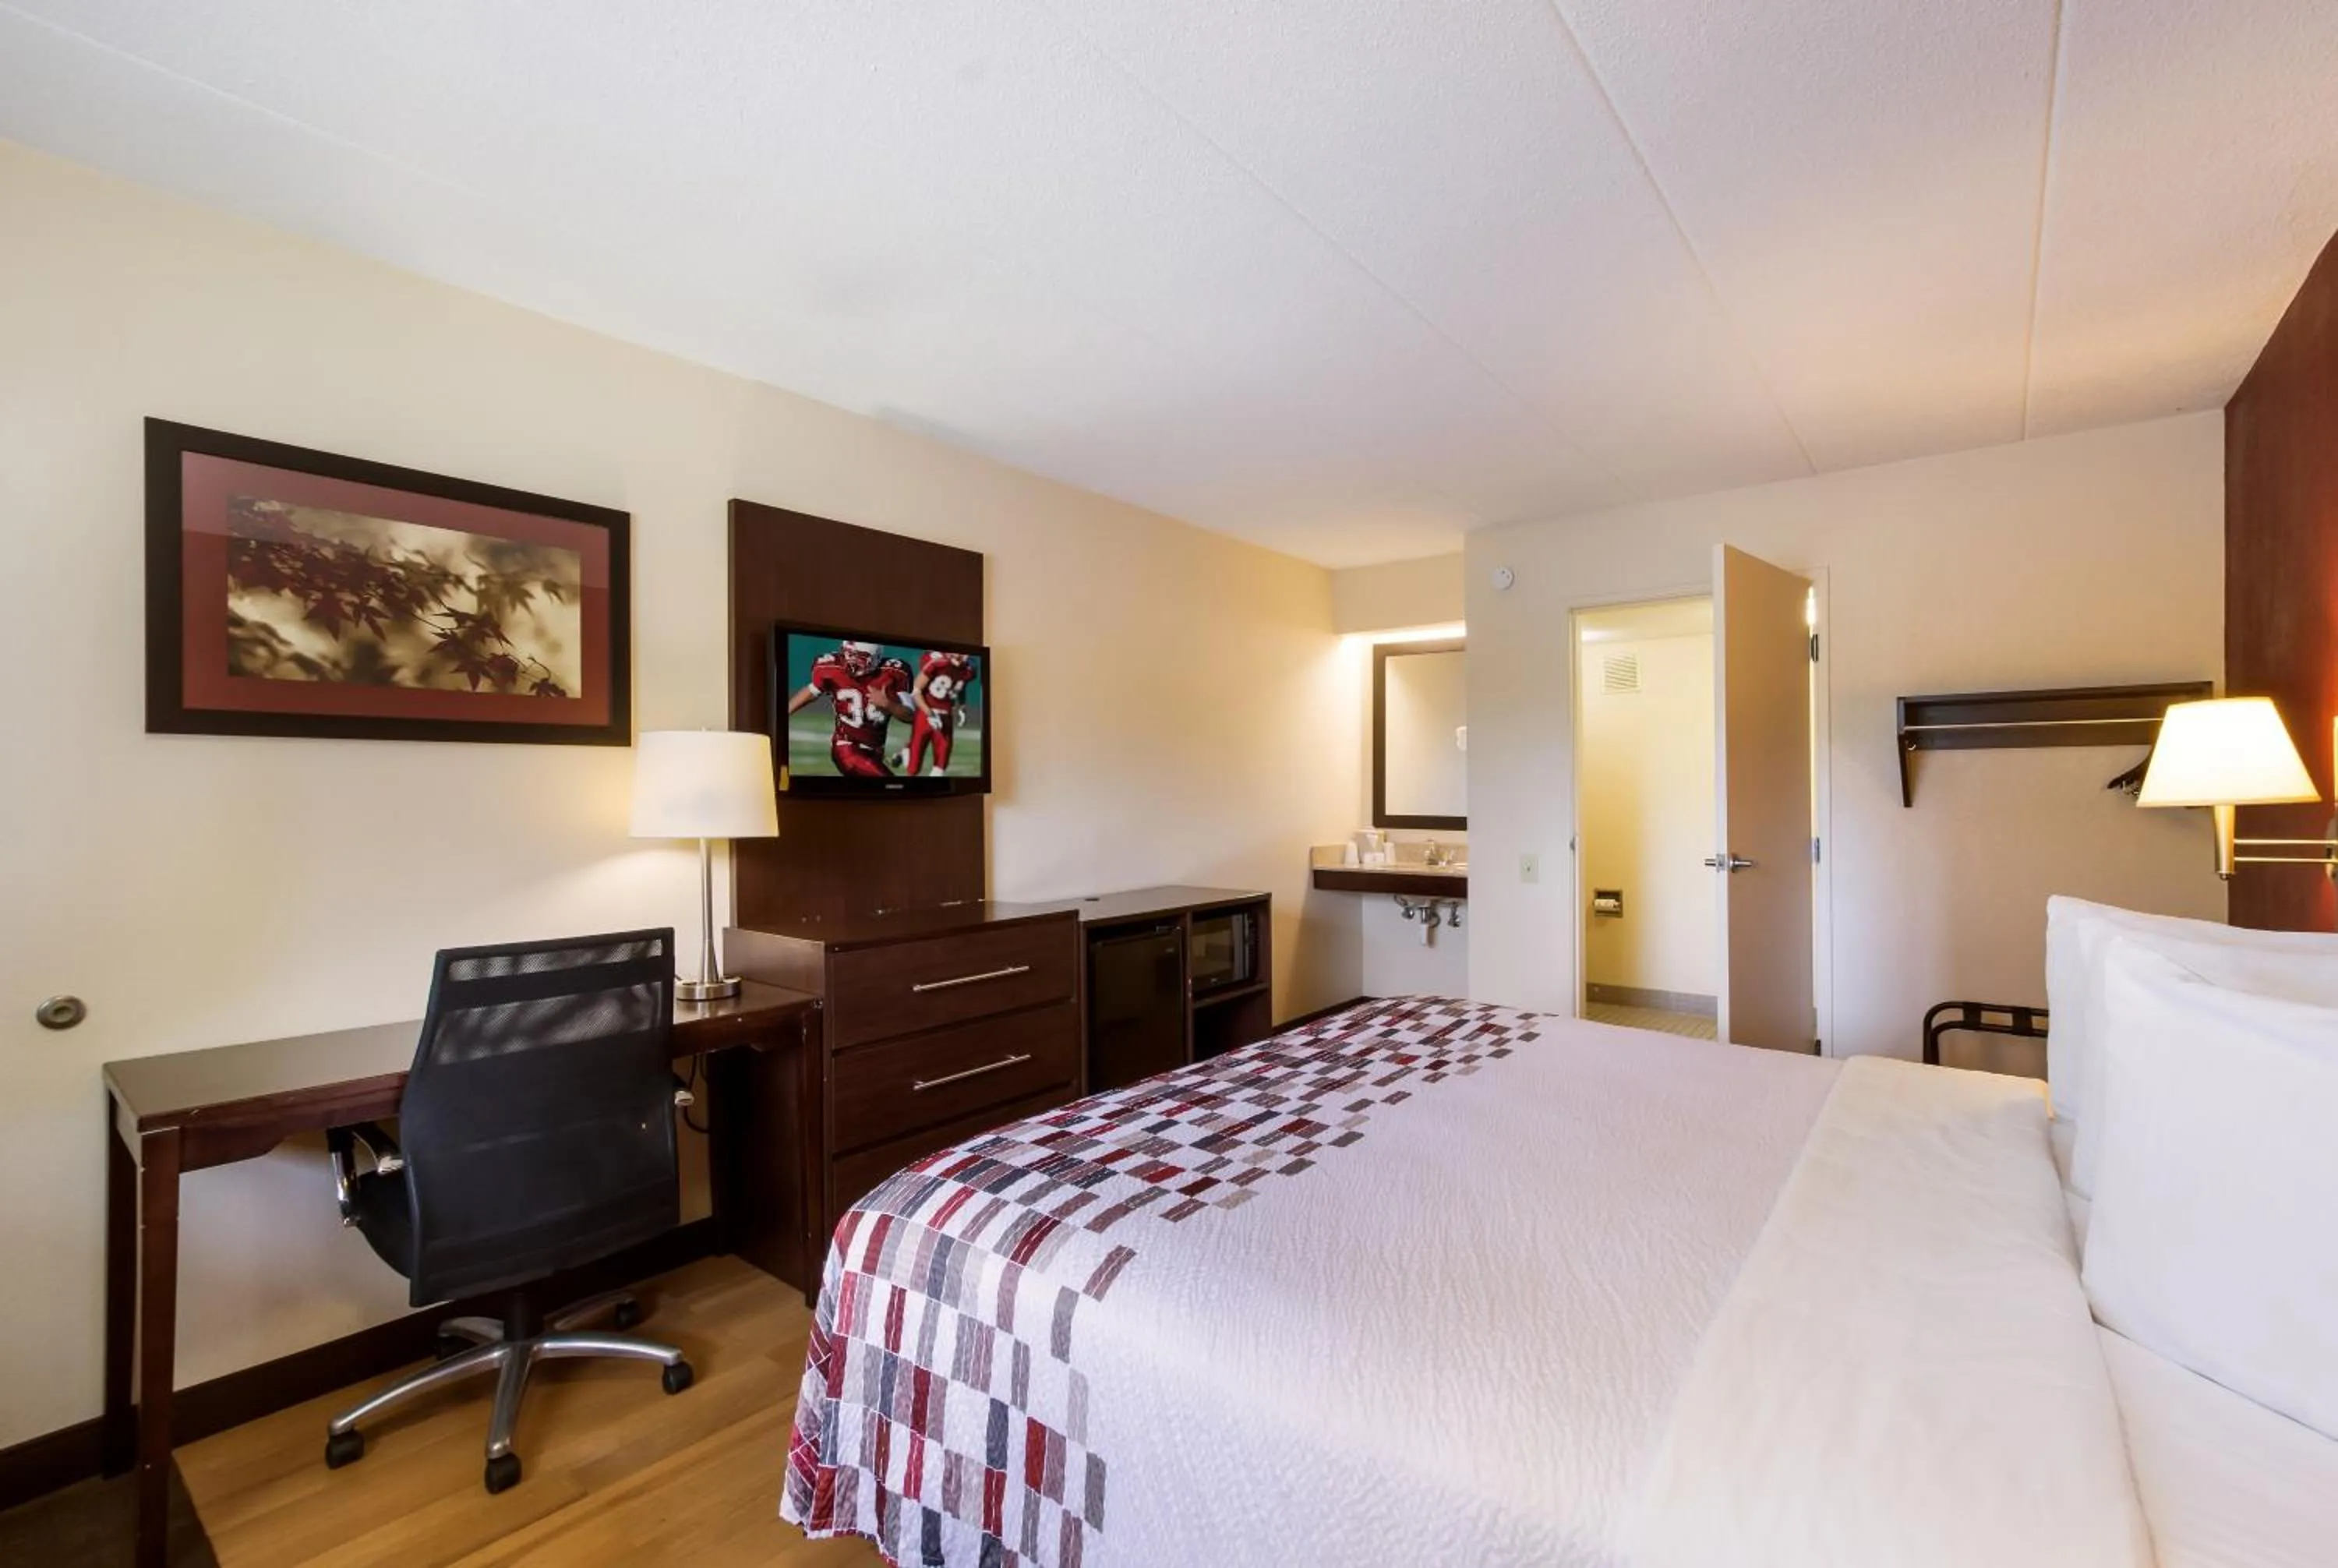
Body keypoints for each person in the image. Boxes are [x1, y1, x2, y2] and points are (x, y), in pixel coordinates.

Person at [785, 641, 913, 777]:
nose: (850, 661)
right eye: (848, 654)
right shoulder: (833, 668)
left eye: (859, 656)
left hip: (876, 751)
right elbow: (812, 691)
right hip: (846, 748)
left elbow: (910, 716)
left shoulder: (894, 673)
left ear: (875, 658)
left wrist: (888, 704)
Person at [903, 648, 979, 776]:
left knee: (940, 766)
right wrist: (929, 713)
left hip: (945, 715)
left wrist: (962, 706)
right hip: (926, 714)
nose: (962, 656)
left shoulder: (968, 670)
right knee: (913, 768)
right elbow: (916, 690)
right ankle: (906, 751)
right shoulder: (937, 663)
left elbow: (960, 686)